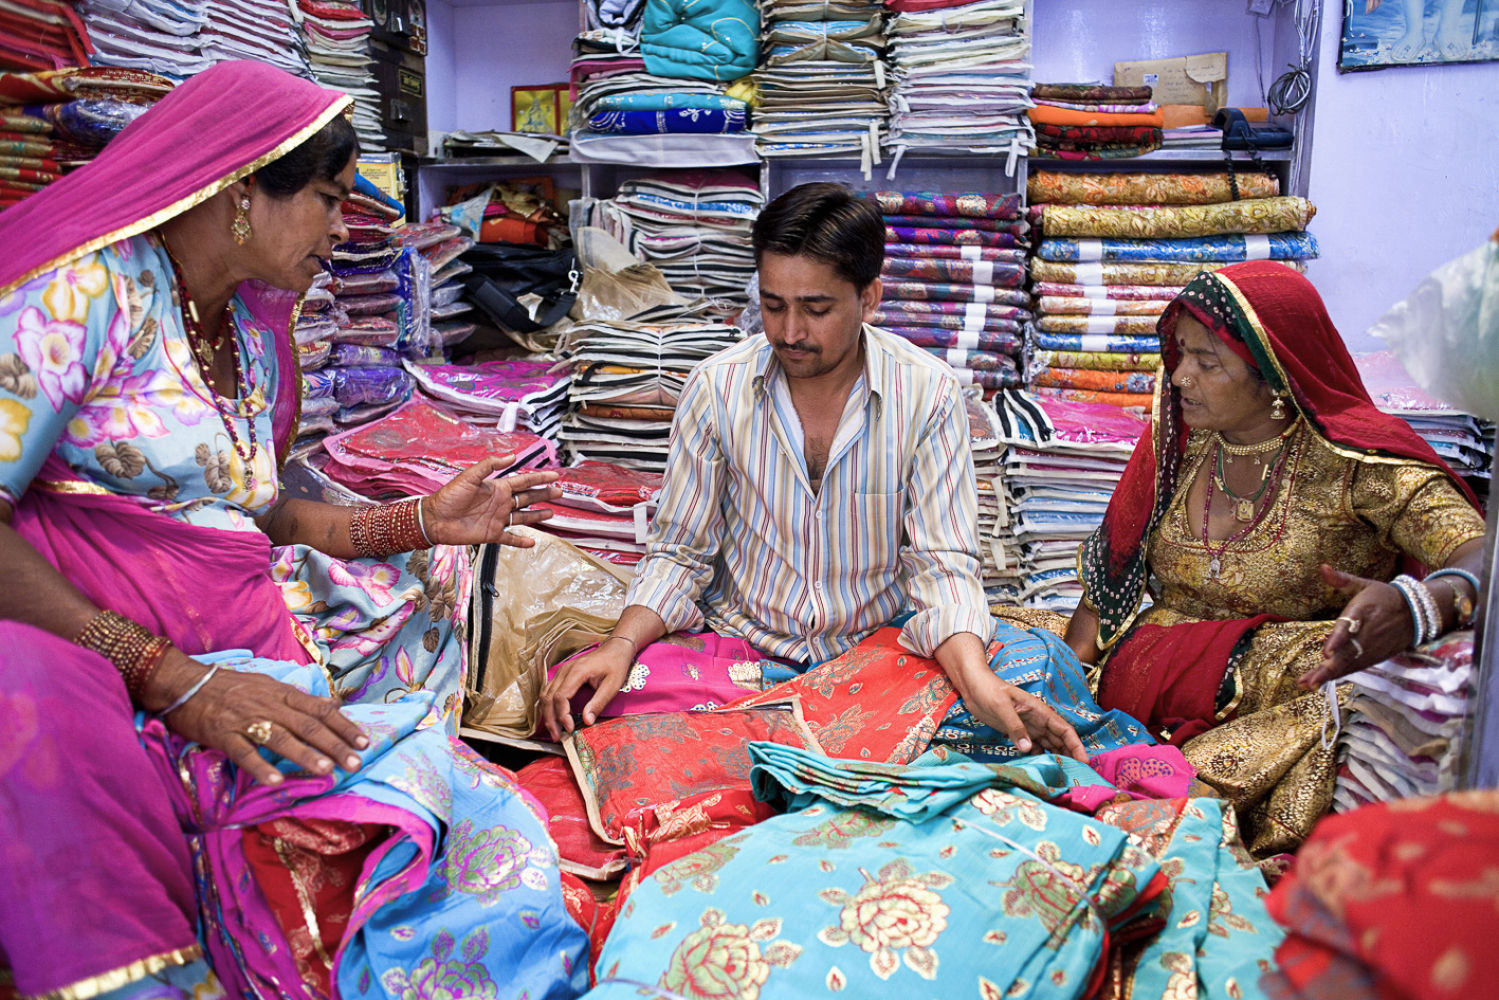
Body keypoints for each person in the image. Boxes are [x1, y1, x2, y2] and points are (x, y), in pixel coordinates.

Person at [0, 62, 588, 1000]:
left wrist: (421, 519)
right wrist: (171, 678)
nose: (344, 230)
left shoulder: (246, 335)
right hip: (128, 653)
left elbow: (261, 512)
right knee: (411, 833)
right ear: (241, 190)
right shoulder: (84, 298)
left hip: (244, 636)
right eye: (328, 198)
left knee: (458, 785)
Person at [540, 182, 1088, 762]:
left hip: (876, 657)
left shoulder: (927, 394)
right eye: (773, 305)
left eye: (816, 309)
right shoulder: (716, 388)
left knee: (1037, 673)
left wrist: (974, 681)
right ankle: (840, 738)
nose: (790, 333)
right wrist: (622, 645)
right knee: (588, 690)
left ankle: (784, 736)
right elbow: (680, 551)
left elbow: (942, 563)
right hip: (745, 654)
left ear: (869, 298)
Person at [1066, 260, 1487, 856]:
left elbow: (1481, 552)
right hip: (1150, 669)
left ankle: (1163, 790)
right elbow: (1110, 582)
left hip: (1280, 687)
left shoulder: (1357, 463)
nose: (1180, 376)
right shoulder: (1180, 441)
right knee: (984, 643)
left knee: (1368, 686)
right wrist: (1068, 693)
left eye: (1207, 361)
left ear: (1274, 376)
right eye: (1181, 353)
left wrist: (1417, 603)